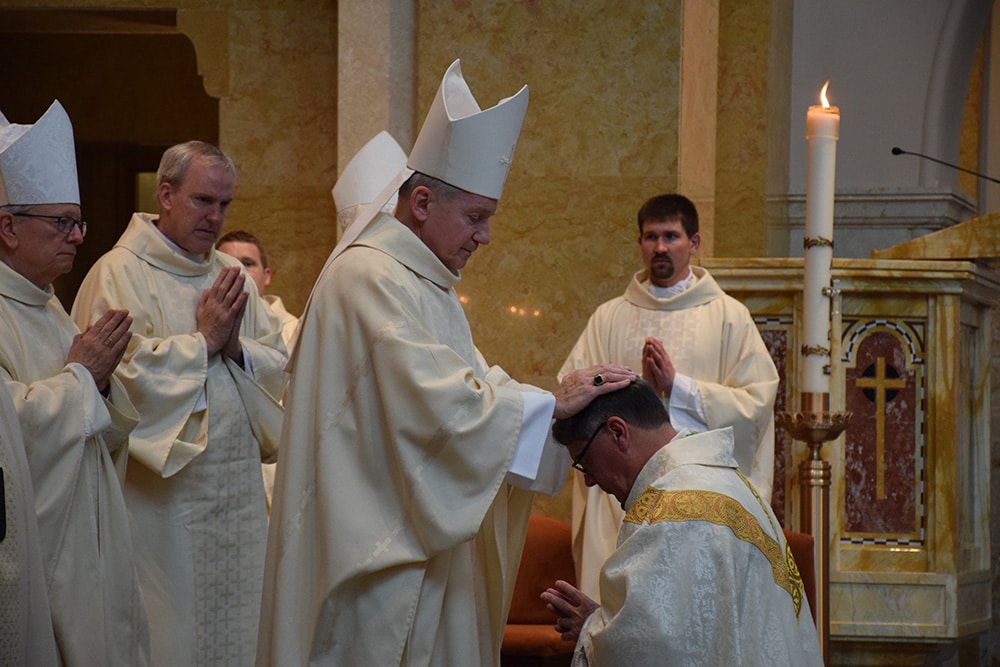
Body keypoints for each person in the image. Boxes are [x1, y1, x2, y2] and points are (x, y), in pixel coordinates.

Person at [257, 59, 635, 666]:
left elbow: (469, 389)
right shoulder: (366, 277)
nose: (484, 237)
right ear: (424, 200)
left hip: (422, 560)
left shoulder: (423, 282)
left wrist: (552, 403)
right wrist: (546, 407)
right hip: (381, 575)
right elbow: (439, 410)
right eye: (476, 217)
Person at [72, 140, 288, 666]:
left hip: (234, 503)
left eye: (225, 205)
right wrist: (202, 344)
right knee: (172, 635)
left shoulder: (231, 278)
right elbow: (113, 375)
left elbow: (279, 362)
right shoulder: (117, 272)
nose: (215, 218)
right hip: (162, 508)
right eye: (202, 201)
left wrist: (234, 346)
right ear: (165, 195)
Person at [559, 193, 779, 601]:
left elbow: (756, 405)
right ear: (639, 243)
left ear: (694, 243)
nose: (660, 247)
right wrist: (630, 393)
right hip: (616, 495)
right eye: (650, 236)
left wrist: (678, 388)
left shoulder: (729, 316)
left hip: (699, 501)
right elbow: (570, 392)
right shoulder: (609, 316)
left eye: (671, 236)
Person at [0, 100, 148, 665]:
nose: (79, 236)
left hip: (86, 545)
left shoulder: (50, 306)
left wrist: (101, 385)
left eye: (78, 222)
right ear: (8, 227)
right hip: (42, 556)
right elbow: (10, 437)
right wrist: (83, 378)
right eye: (63, 222)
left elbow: (94, 432)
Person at [542, 379, 822, 666]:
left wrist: (591, 631)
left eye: (585, 463)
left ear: (617, 432)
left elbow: (658, 650)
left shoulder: (676, 510)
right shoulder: (724, 482)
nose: (589, 480)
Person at [216, 229, 299, 351]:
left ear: (266, 276)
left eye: (247, 264)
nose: (239, 271)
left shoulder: (294, 331)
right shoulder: (198, 323)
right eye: (227, 263)